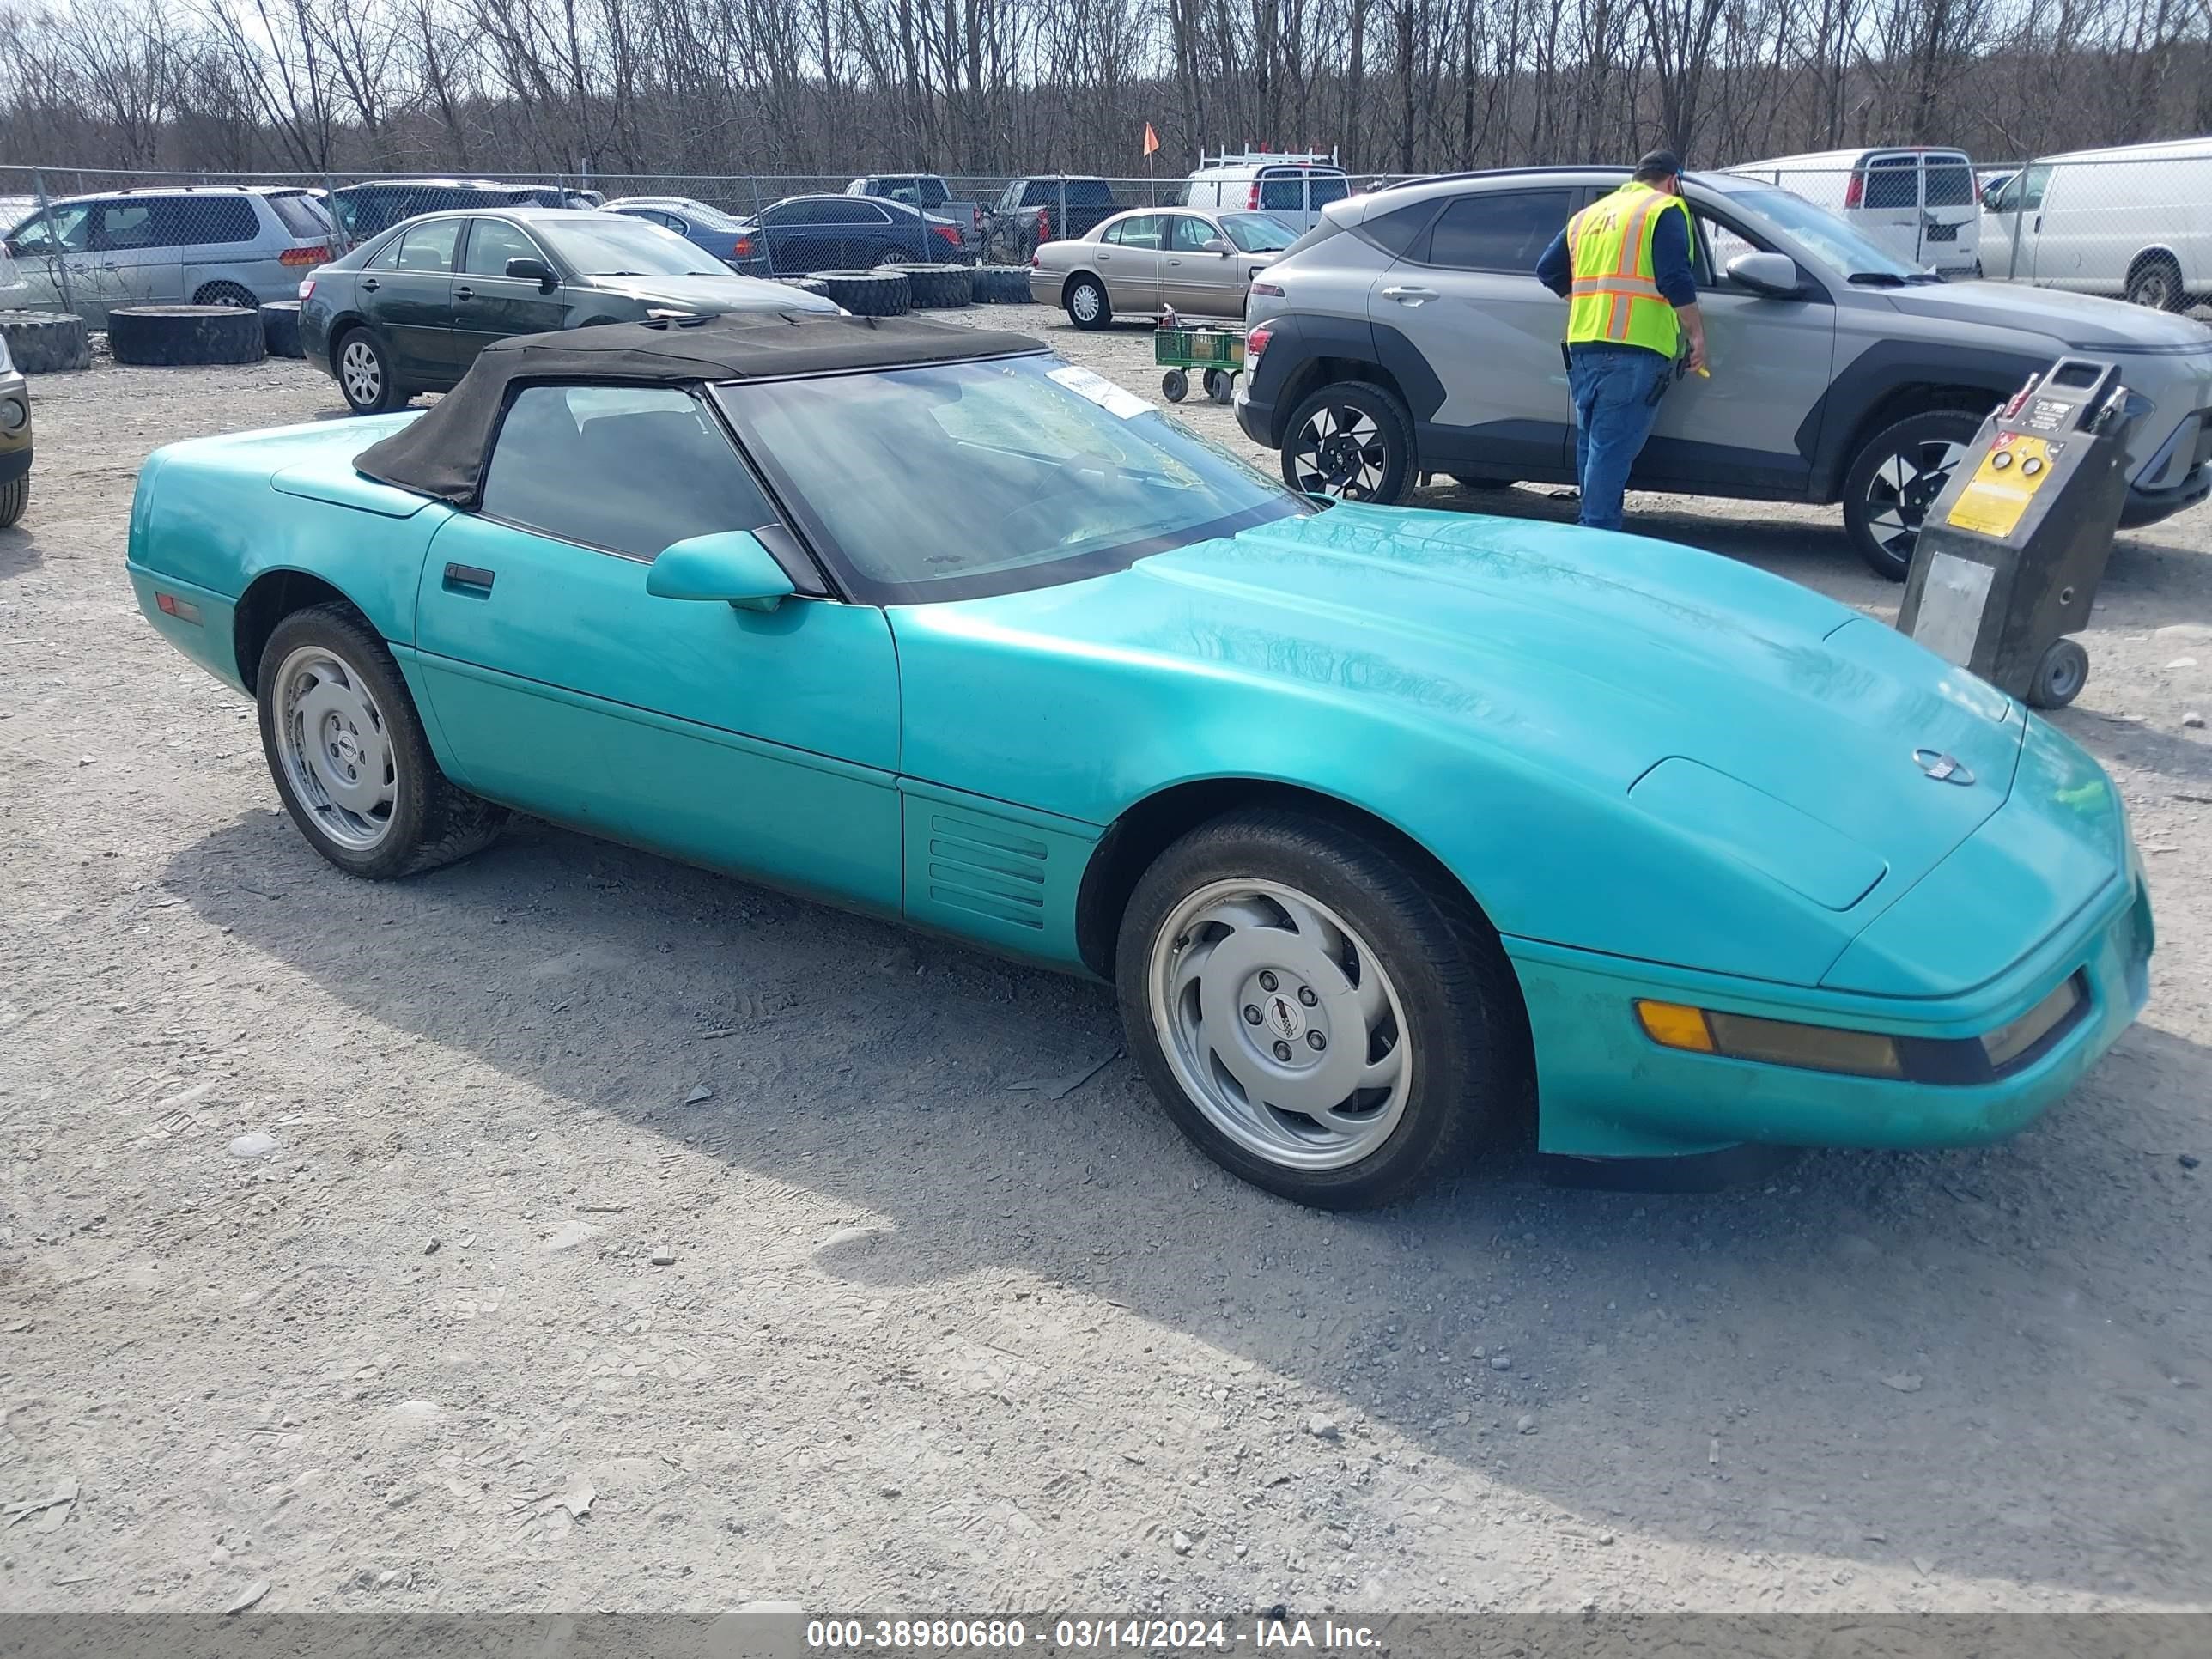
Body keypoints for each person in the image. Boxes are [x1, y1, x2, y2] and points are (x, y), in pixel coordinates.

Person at [1534, 150, 1707, 533]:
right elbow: (1675, 278)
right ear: (1673, 181)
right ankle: (1597, 536)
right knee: (1609, 451)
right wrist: (1696, 332)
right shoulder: (1664, 209)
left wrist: (1590, 300)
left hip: (1584, 346)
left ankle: (1593, 526)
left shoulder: (1591, 215)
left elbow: (1547, 269)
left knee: (1594, 445)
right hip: (1635, 349)